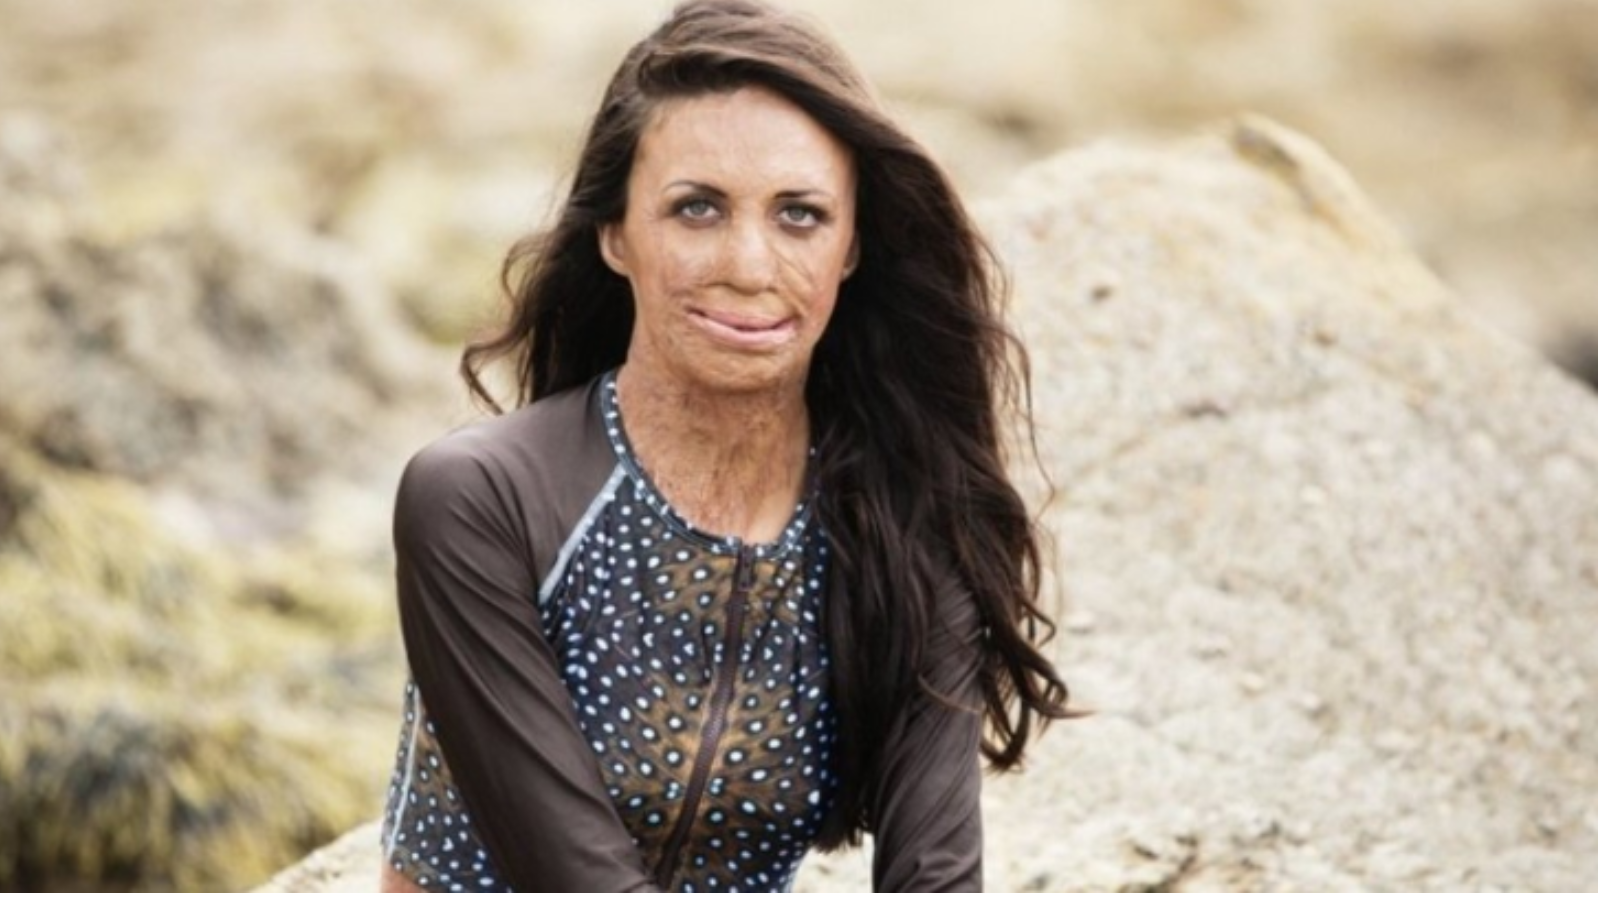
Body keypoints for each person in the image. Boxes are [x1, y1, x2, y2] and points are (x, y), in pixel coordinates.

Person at [378, 0, 1072, 891]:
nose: (749, 266)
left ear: (852, 247)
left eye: (800, 215)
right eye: (697, 208)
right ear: (614, 233)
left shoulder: (904, 525)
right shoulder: (482, 499)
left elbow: (936, 878)